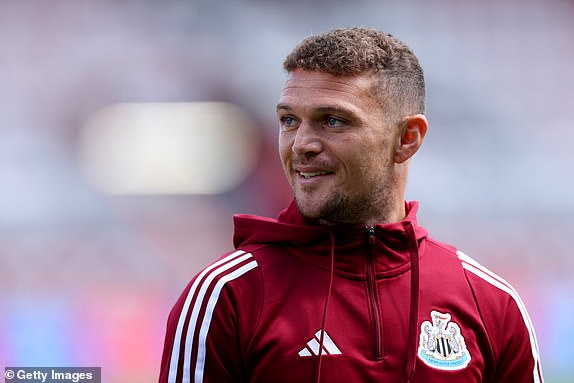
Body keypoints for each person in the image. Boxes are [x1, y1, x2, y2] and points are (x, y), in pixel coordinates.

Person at [159, 28, 544, 383]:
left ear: (407, 138)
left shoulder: (490, 303)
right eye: (289, 120)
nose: (301, 144)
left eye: (333, 121)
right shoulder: (226, 296)